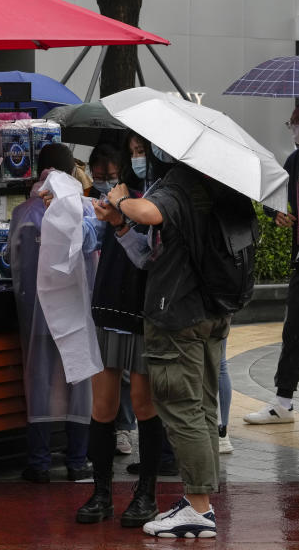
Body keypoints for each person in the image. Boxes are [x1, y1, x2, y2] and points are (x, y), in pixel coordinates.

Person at [104, 145, 238, 538]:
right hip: (213, 310)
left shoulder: (178, 184)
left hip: (179, 314)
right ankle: (198, 501)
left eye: (142, 149)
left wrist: (121, 199)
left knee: (182, 409)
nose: (139, 156)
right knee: (202, 406)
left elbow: (150, 212)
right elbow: (151, 255)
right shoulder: (219, 186)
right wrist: (120, 224)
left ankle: (199, 509)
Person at [76, 143, 165, 528]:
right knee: (102, 407)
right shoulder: (117, 195)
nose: (107, 176)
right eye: (132, 149)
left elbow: (147, 257)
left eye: (139, 149)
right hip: (108, 305)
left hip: (146, 312)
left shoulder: (159, 197)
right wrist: (64, 214)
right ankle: (101, 494)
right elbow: (88, 241)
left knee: (145, 405)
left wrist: (119, 220)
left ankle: (146, 494)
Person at [10, 142, 93, 484]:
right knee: (79, 381)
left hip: (38, 316)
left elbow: (15, 268)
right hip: (76, 313)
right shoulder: (84, 210)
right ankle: (77, 462)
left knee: (39, 383)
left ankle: (39, 463)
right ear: (72, 171)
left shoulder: (24, 213)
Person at [245, 101, 299, 425]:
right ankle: (282, 401)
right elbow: (273, 195)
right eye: (293, 122)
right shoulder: (295, 159)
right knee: (295, 332)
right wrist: (275, 213)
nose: (296, 127)